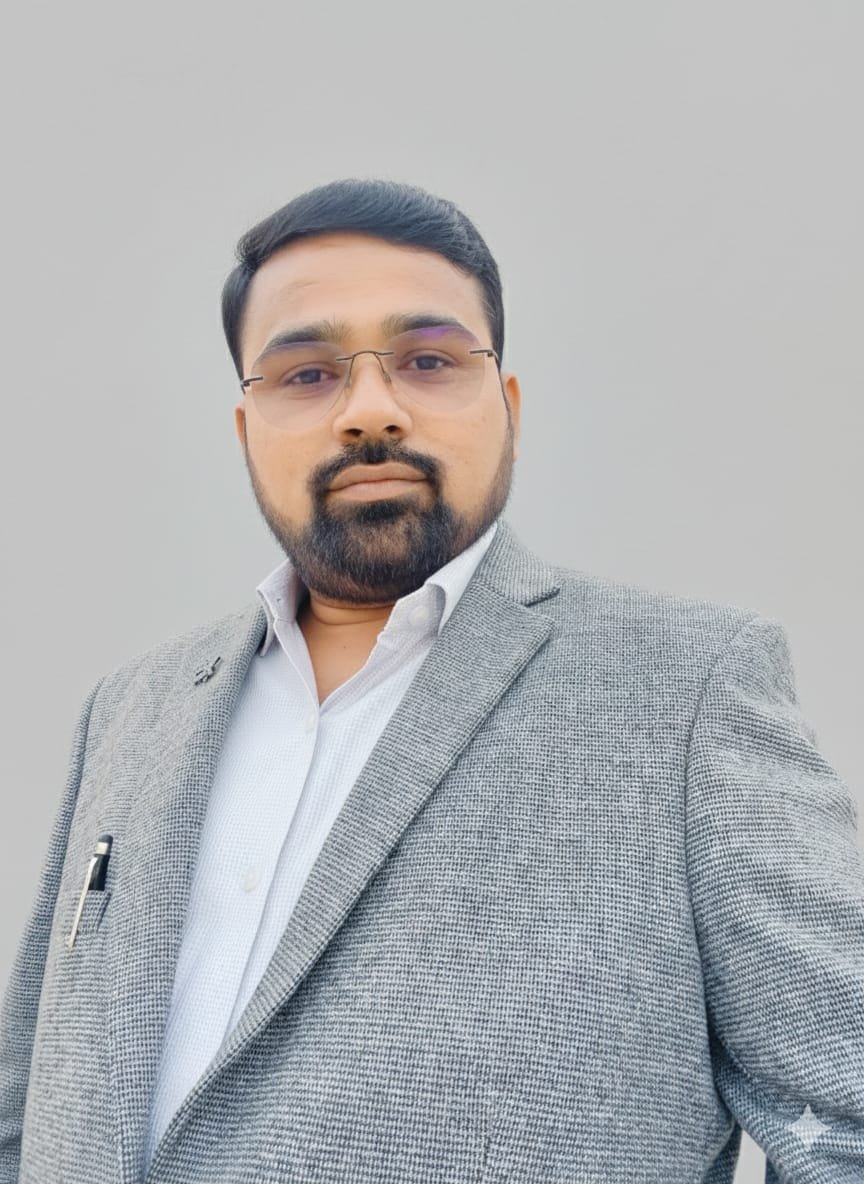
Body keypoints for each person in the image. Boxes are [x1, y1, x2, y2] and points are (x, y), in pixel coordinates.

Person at [1, 178, 862, 1184]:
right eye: (307, 373)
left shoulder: (686, 691)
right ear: (246, 430)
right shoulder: (134, 710)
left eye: (428, 360)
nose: (371, 410)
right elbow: (27, 1112)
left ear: (508, 409)